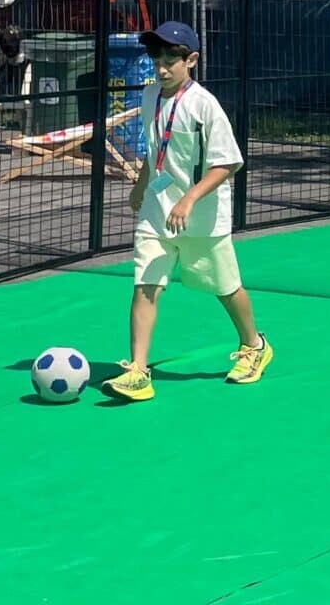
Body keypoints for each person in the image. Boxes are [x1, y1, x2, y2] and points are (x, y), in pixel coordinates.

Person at [102, 20, 272, 400]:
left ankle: (254, 345)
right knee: (145, 283)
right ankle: (139, 370)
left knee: (225, 287)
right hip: (156, 211)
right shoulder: (149, 96)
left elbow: (227, 162)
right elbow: (155, 149)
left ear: (191, 60)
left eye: (170, 61)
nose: (162, 69)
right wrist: (141, 184)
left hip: (202, 216)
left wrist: (189, 199)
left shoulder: (204, 105)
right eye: (157, 60)